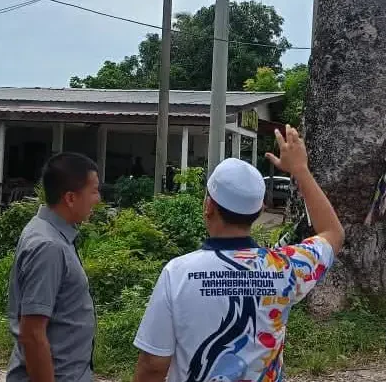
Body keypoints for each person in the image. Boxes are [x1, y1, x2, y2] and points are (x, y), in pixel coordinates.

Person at [132, 126, 344, 382]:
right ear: (260, 210)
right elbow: (333, 233)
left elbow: (153, 365)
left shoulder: (177, 273)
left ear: (208, 206)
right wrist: (300, 170)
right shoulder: (284, 268)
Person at [6, 152, 102, 382]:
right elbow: (32, 333)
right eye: (94, 191)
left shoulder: (50, 233)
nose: (98, 199)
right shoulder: (48, 246)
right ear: (70, 198)